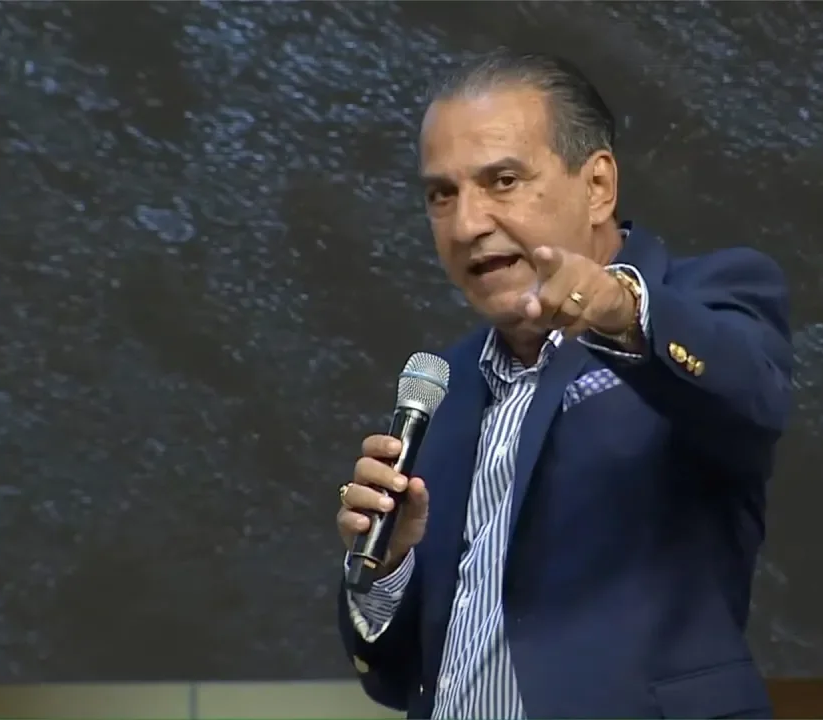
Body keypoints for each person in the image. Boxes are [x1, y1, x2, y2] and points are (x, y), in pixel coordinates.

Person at [334, 49, 793, 719]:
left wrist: (621, 312)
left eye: (503, 180)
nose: (467, 224)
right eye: (442, 195)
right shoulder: (445, 389)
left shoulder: (696, 305)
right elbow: (396, 677)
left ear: (598, 185)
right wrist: (389, 565)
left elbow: (754, 398)